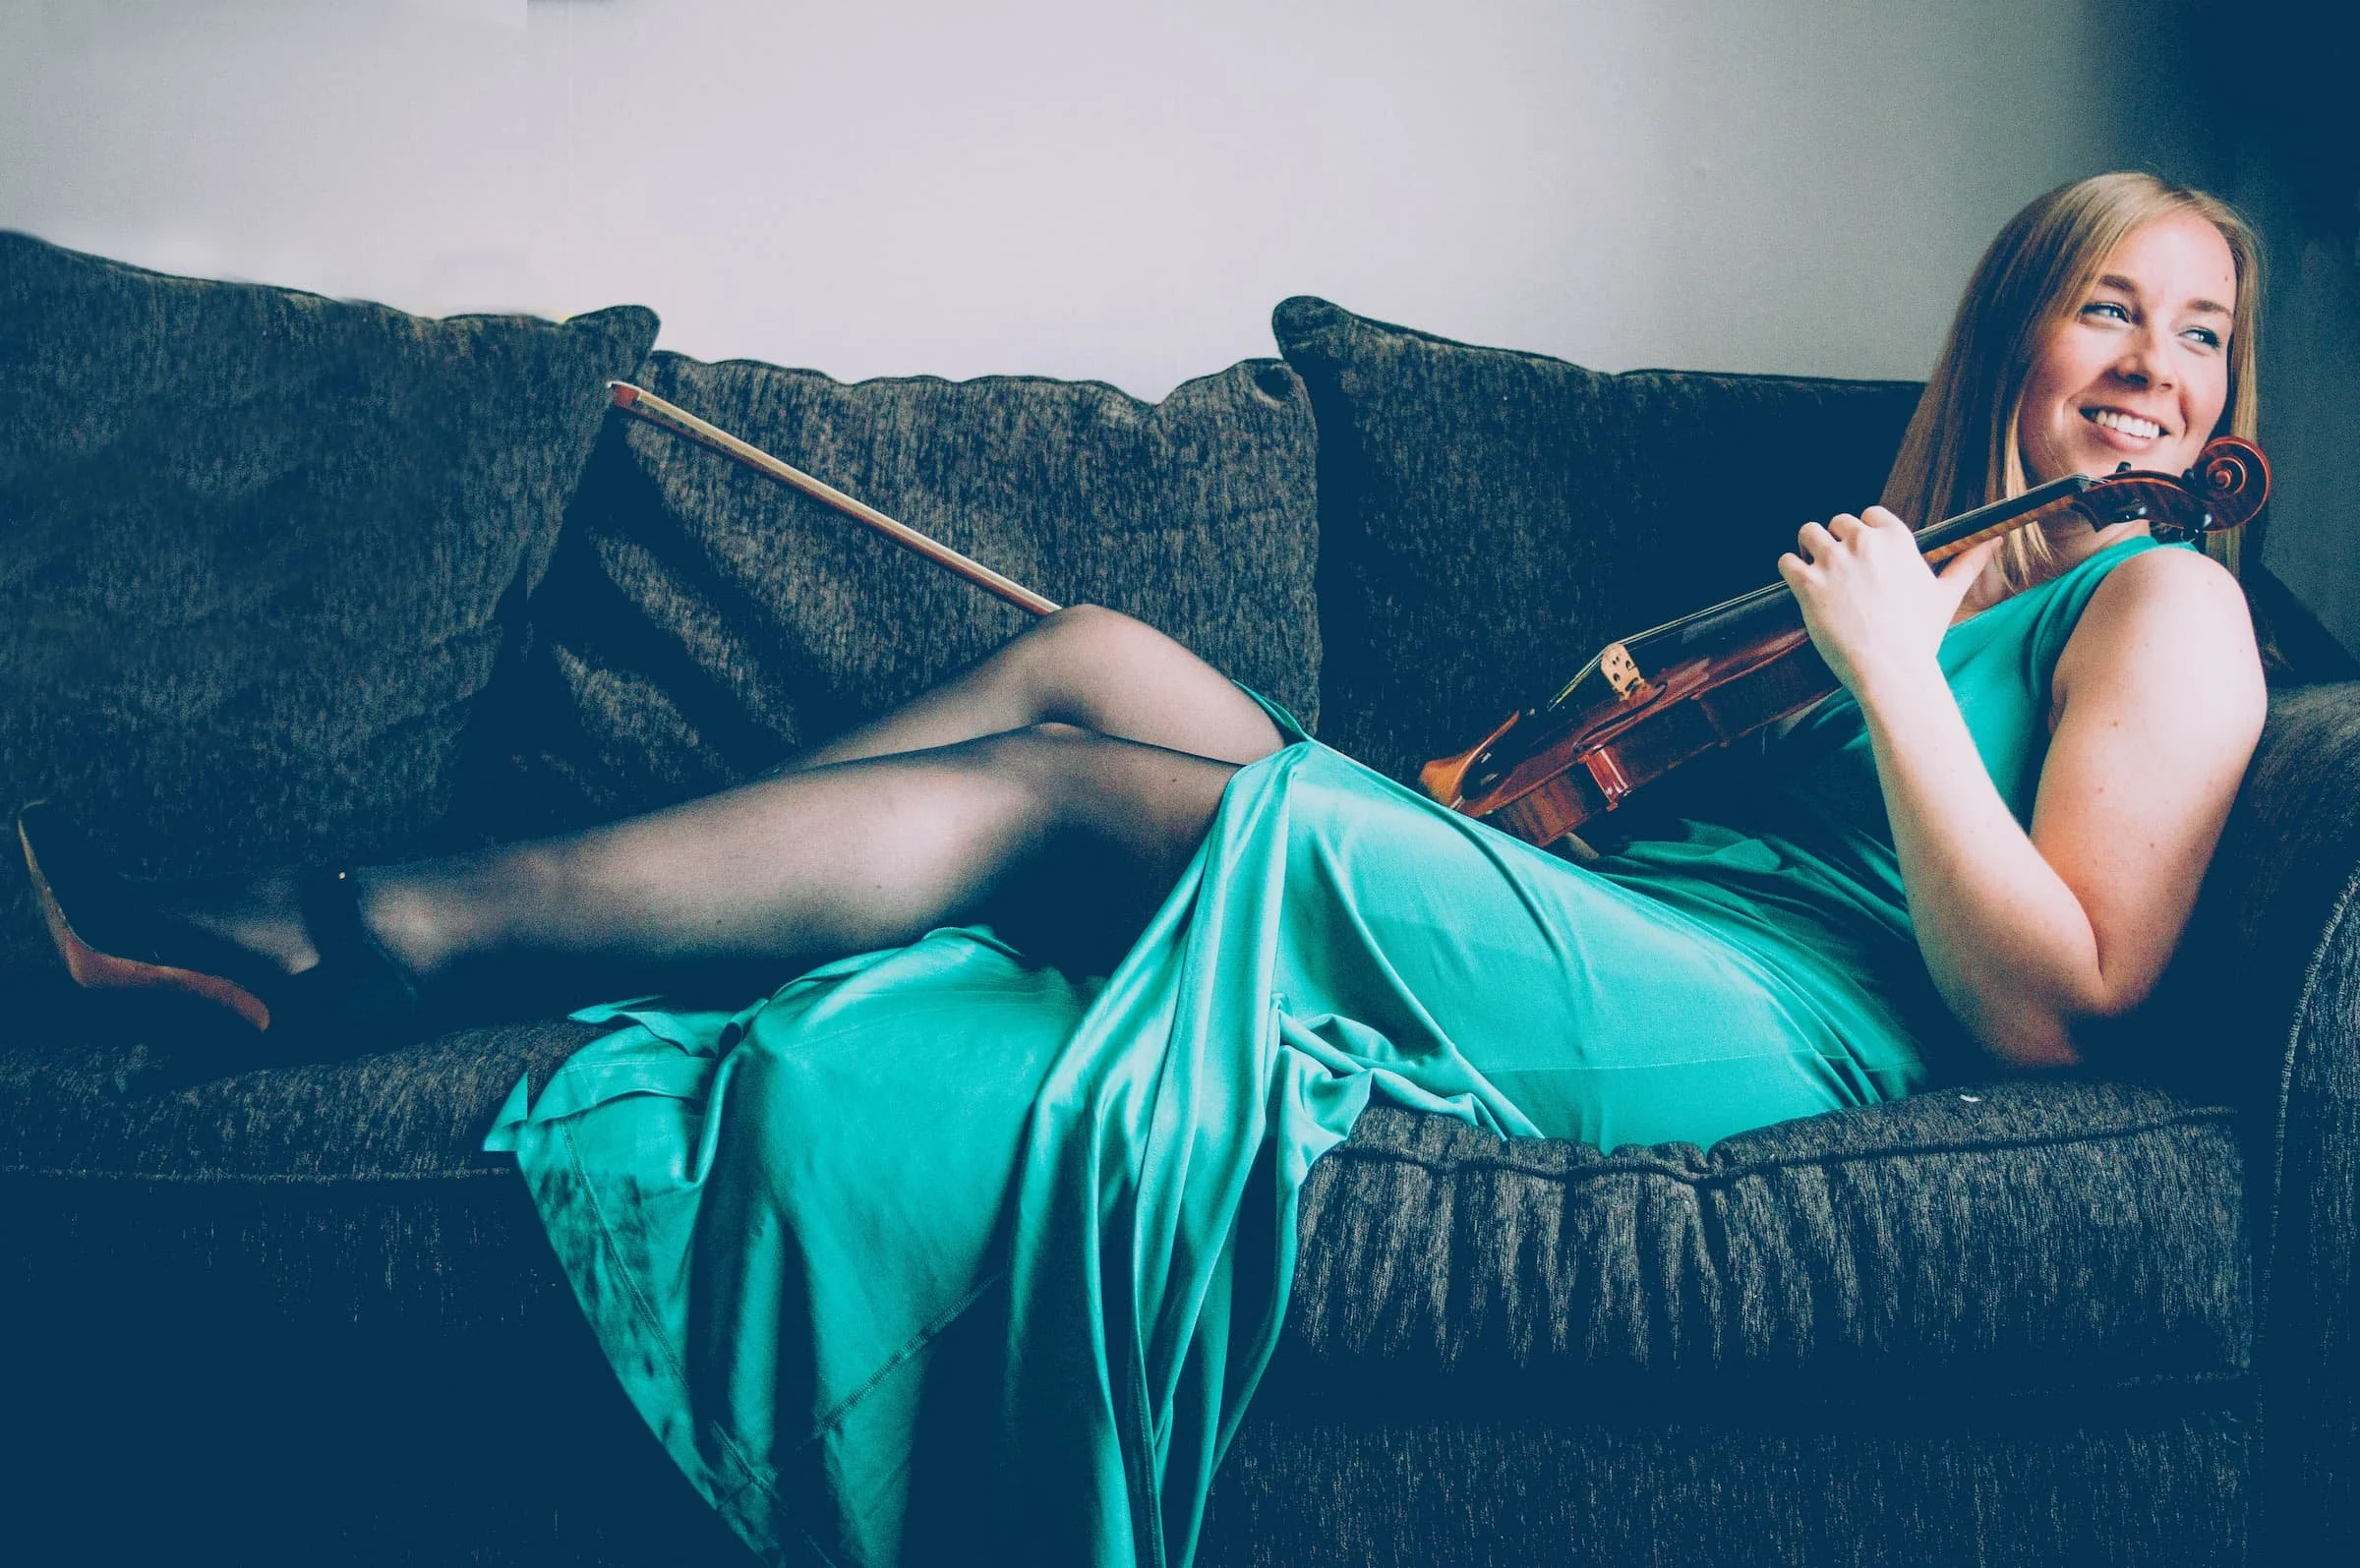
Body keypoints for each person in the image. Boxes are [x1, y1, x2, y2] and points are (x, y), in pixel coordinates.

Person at [18, 170, 2269, 1567]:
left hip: (1785, 1029)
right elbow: (1628, 796)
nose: (2154, 367)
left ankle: (361, 929)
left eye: (2200, 331)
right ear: (2016, 335)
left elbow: (2057, 1001)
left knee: (1069, 786)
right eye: (2110, 308)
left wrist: (1894, 681)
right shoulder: (1919, 573)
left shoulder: (2163, 603)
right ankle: (603, 913)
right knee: (1096, 655)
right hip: (1628, 932)